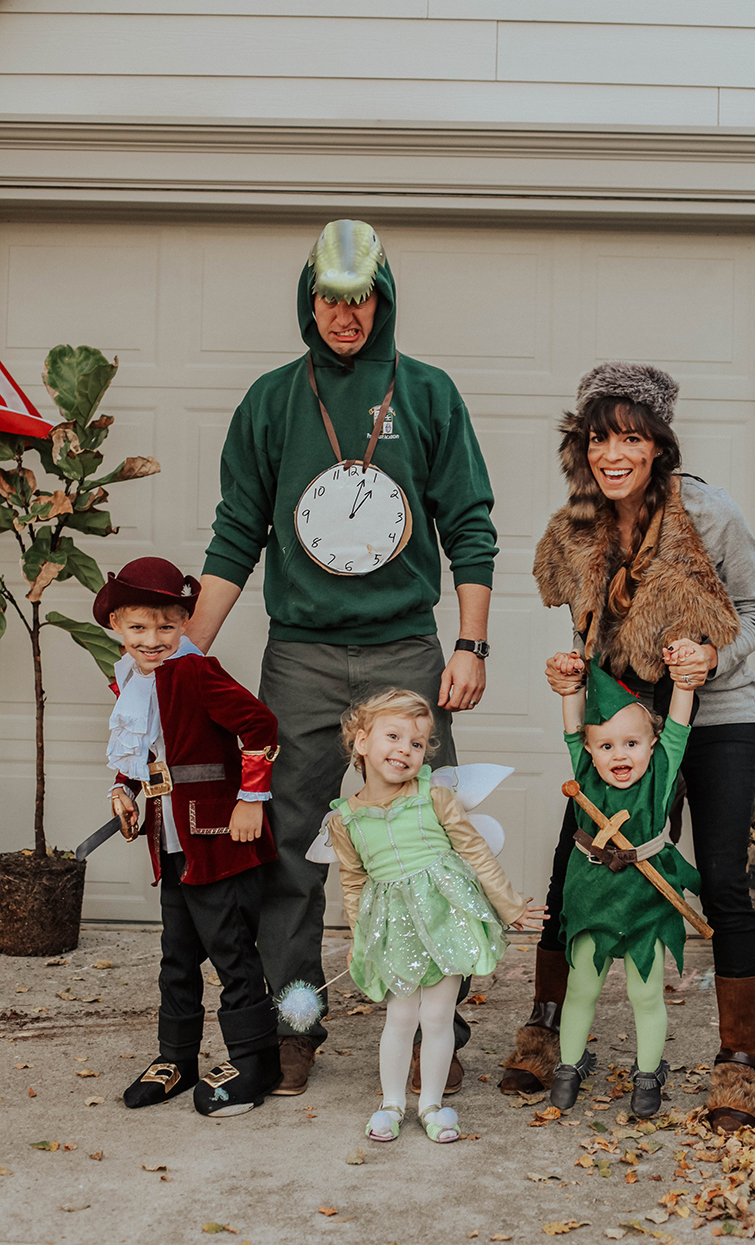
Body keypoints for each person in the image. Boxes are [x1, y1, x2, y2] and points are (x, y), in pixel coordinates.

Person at [187, 220, 498, 1096]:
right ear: (308, 299)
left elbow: (470, 524)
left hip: (406, 645)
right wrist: (181, 658)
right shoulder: (271, 400)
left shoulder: (428, 393)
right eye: (329, 297)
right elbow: (235, 534)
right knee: (289, 850)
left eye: (360, 299)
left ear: (383, 299)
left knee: (429, 842)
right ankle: (295, 1026)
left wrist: (469, 642)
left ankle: (446, 1019)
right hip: (302, 657)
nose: (344, 315)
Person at [501, 361, 755, 1135]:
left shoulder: (708, 514)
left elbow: (753, 613)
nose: (611, 452)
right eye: (597, 437)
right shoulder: (580, 522)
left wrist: (710, 660)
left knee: (721, 880)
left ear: (657, 445)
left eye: (629, 437)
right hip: (623, 722)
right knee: (574, 864)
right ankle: (546, 1028)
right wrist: (573, 671)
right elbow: (589, 624)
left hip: (712, 716)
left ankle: (741, 1061)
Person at [96, 557, 281, 1117]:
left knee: (230, 951)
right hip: (169, 837)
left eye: (166, 627)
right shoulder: (130, 678)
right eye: (138, 629)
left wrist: (251, 800)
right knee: (176, 955)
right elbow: (146, 747)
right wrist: (124, 788)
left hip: (216, 836)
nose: (153, 640)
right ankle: (176, 1058)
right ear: (117, 628)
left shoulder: (197, 671)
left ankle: (255, 1059)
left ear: (182, 624)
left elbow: (260, 726)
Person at [318, 689, 544, 1143]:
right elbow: (354, 883)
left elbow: (474, 851)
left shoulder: (433, 796)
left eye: (416, 744)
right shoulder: (344, 821)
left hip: (447, 917)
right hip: (394, 927)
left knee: (437, 1017)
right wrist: (359, 938)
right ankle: (391, 1104)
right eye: (393, 736)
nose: (404, 749)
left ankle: (433, 1106)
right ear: (361, 742)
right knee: (400, 1017)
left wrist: (509, 903)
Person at [547, 654, 699, 1118]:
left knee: (645, 993)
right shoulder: (585, 776)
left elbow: (678, 723)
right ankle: (569, 1070)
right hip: (591, 895)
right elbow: (572, 728)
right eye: (607, 745)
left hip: (646, 901)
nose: (620, 755)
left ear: (653, 746)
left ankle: (647, 1077)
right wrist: (572, 688)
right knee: (581, 988)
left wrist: (684, 682)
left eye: (632, 743)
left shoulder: (660, 773)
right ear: (590, 752)